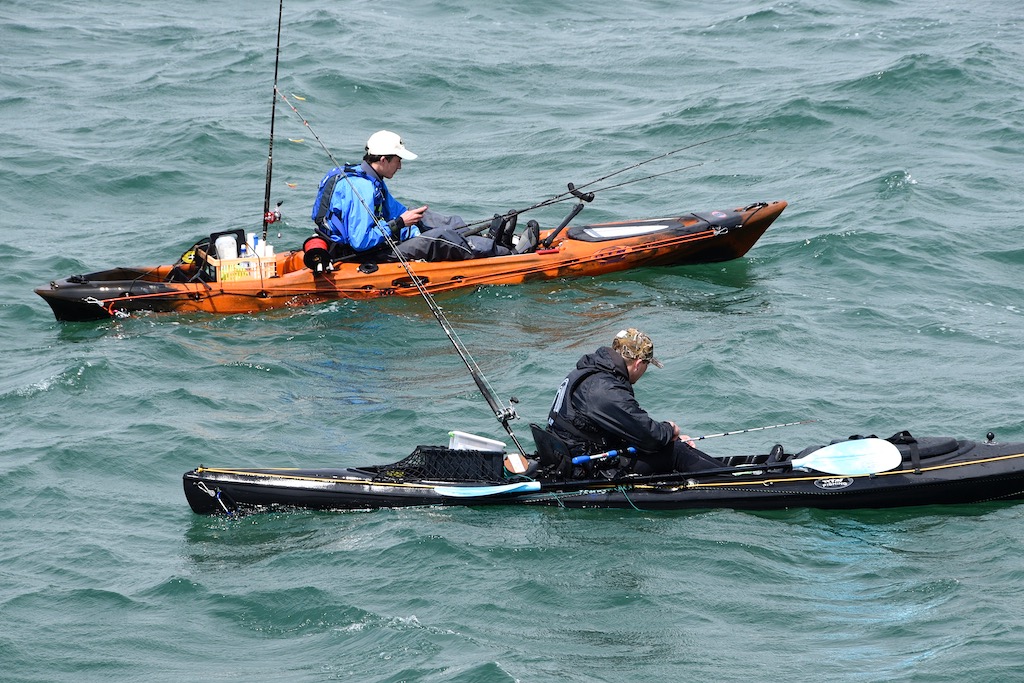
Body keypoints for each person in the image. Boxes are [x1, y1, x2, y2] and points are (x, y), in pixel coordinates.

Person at [311, 130, 538, 262]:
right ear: (383, 160)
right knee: (441, 238)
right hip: (362, 254)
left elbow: (395, 210)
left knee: (436, 220)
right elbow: (361, 242)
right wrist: (401, 224)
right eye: (398, 160)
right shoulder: (362, 188)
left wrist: (414, 221)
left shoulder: (366, 176)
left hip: (373, 239)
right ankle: (507, 253)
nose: (400, 167)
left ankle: (488, 240)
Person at [545, 328, 721, 475]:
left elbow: (627, 429)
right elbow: (651, 437)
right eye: (647, 365)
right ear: (638, 364)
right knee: (676, 452)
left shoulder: (588, 373)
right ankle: (732, 482)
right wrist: (670, 429)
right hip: (584, 467)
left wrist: (667, 439)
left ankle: (724, 472)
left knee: (673, 445)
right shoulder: (605, 389)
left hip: (567, 455)